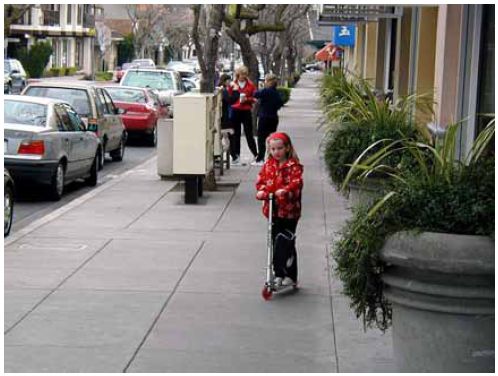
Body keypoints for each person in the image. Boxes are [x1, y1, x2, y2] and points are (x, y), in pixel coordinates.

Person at [255, 132, 304, 287]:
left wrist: (286, 190)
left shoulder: (293, 166)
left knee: (286, 241)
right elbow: (261, 180)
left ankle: (288, 274)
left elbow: (297, 183)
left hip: (289, 212)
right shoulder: (268, 165)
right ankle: (279, 273)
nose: (276, 152)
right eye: (273, 149)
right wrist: (262, 191)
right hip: (273, 210)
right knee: (276, 242)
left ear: (287, 148)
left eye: (280, 148)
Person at [227, 65, 258, 165]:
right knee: (236, 134)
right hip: (235, 110)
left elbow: (255, 98)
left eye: (245, 74)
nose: (243, 76)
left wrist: (247, 99)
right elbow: (229, 97)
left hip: (246, 111)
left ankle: (255, 154)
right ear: (237, 74)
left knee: (249, 134)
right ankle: (236, 156)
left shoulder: (250, 85)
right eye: (241, 74)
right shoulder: (233, 84)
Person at [252, 73, 284, 166]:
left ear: (269, 82)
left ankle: (260, 158)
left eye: (265, 81)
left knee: (261, 139)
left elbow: (255, 94)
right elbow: (280, 103)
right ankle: (272, 158)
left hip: (264, 117)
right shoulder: (276, 92)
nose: (264, 82)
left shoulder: (266, 91)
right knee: (272, 139)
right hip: (273, 117)